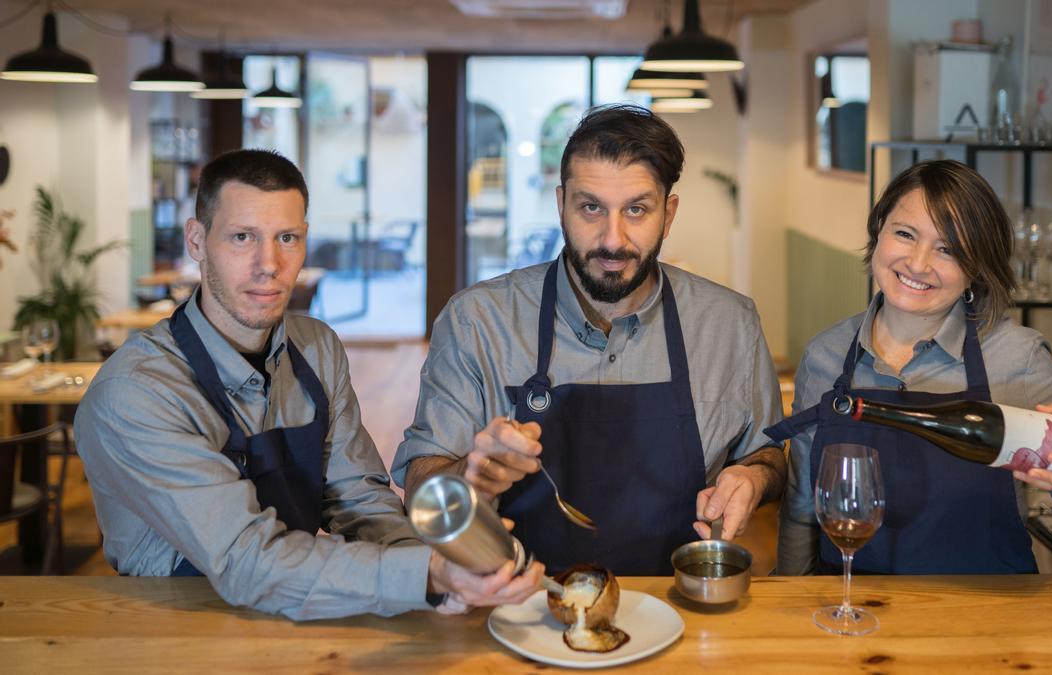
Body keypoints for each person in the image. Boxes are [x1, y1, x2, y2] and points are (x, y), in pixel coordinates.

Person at [75, 149, 543, 620]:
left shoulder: (316, 349)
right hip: (174, 632)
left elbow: (360, 502)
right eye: (242, 237)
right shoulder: (136, 393)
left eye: (287, 237)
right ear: (197, 241)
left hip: (295, 612)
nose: (269, 264)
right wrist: (426, 573)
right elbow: (245, 558)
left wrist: (436, 578)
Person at [393, 105, 785, 576]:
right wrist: (468, 476)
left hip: (680, 606)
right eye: (591, 208)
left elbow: (768, 456)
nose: (613, 240)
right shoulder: (478, 320)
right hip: (514, 601)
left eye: (636, 210)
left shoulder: (730, 324)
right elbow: (421, 484)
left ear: (669, 213)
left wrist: (755, 477)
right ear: (561, 204)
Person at [769, 159, 1052, 575]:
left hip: (984, 620)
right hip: (853, 615)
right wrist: (793, 603)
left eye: (948, 249)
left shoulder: (1018, 358)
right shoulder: (825, 356)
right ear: (878, 230)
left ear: (976, 268)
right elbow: (802, 509)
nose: (918, 264)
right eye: (905, 234)